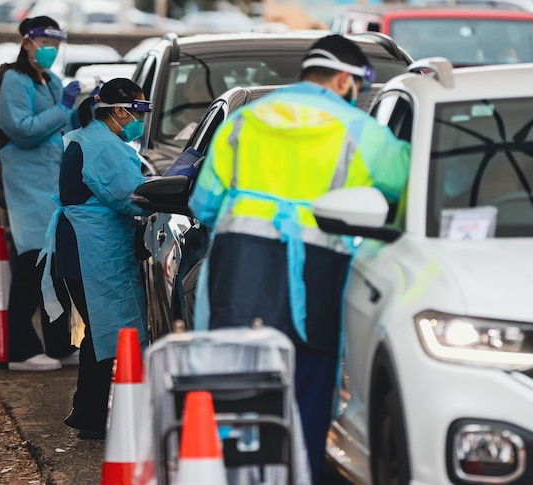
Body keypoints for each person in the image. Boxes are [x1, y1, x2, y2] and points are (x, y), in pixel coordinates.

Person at [188, 34, 411, 481]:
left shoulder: (244, 121)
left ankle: (238, 472)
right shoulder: (361, 130)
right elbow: (408, 194)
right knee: (309, 388)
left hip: (239, 270)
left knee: (238, 385)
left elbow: (204, 204)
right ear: (346, 79)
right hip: (316, 273)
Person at [37, 77, 152, 440]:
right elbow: (132, 196)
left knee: (100, 334)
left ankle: (89, 412)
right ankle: (91, 415)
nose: (141, 119)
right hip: (94, 251)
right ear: (119, 111)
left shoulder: (89, 138)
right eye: (140, 110)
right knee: (106, 333)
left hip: (82, 249)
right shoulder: (106, 147)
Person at [0, 16, 81, 371]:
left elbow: (64, 126)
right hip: (27, 183)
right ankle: (21, 349)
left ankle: (58, 344)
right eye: (45, 43)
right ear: (27, 42)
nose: (51, 51)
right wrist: (62, 109)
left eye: (55, 44)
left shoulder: (51, 80)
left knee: (56, 267)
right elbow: (23, 129)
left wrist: (84, 108)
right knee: (32, 264)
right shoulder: (14, 81)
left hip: (50, 185)